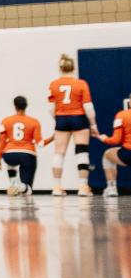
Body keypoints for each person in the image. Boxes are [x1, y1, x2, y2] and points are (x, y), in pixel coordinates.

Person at [45, 54, 96, 197]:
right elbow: (88, 107)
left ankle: (56, 187)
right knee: (82, 152)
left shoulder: (53, 84)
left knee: (59, 153)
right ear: (73, 68)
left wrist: (58, 118)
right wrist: (93, 124)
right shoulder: (81, 83)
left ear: (60, 68)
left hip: (61, 118)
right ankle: (83, 187)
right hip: (78, 118)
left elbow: (50, 107)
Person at [0, 95, 41, 197]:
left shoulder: (6, 121)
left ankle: (13, 183)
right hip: (27, 155)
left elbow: (1, 142)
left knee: (11, 162)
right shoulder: (34, 122)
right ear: (26, 106)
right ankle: (21, 186)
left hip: (9, 154)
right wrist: (52, 137)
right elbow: (40, 143)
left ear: (15, 106)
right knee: (28, 190)